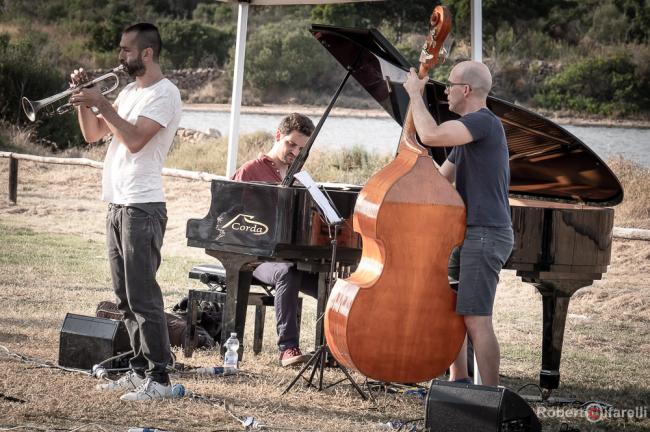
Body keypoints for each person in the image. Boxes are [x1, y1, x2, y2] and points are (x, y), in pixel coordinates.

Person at [69, 23, 182, 401]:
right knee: (124, 295)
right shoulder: (131, 91)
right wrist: (84, 101)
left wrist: (102, 102)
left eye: (126, 50)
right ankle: (138, 369)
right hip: (117, 202)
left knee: (143, 296)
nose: (121, 56)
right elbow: (92, 134)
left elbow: (134, 140)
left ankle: (161, 379)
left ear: (147, 53)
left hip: (142, 205)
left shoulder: (165, 94)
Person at [403, 60, 514, 386]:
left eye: (449, 84)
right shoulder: (466, 138)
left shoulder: (483, 123)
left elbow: (432, 134)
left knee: (477, 319)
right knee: (453, 312)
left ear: (466, 90)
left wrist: (414, 96)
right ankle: (459, 382)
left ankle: (489, 397)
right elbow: (440, 181)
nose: (445, 90)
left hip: (485, 234)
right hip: (466, 234)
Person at [233, 113, 319, 366]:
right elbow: (232, 221)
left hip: (290, 256)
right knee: (287, 273)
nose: (295, 151)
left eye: (302, 148)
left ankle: (333, 350)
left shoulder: (300, 175)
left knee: (335, 285)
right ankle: (288, 348)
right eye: (291, 144)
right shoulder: (250, 170)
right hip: (256, 257)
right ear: (278, 135)